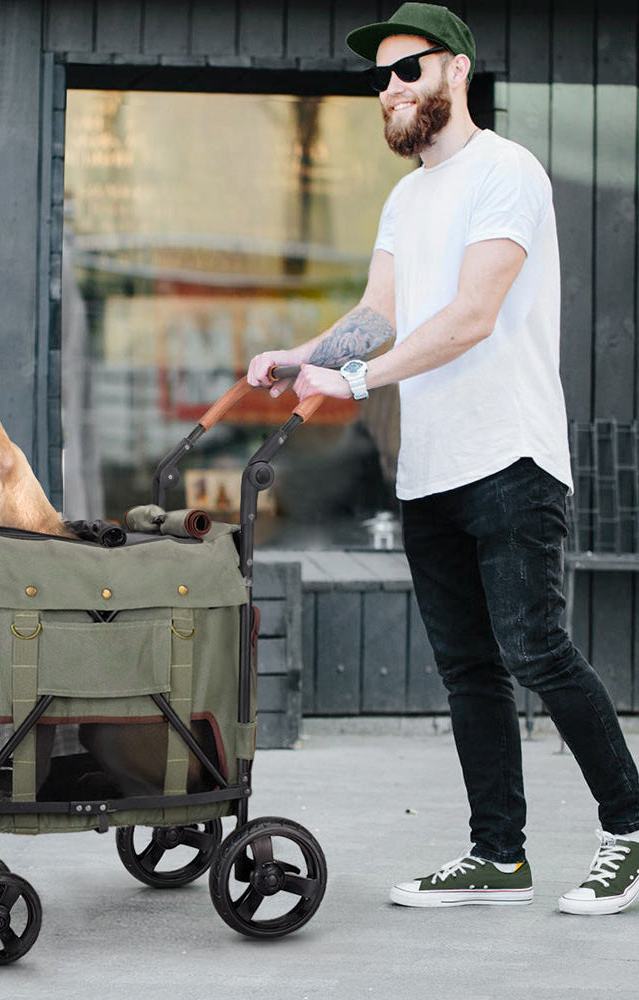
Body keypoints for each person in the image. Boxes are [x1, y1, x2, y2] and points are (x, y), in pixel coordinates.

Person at [247, 2, 639, 915]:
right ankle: (497, 857)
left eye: (405, 70)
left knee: (535, 649)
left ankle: (627, 829)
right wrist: (304, 358)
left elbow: (470, 315)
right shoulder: (405, 195)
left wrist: (356, 382)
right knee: (468, 672)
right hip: (429, 468)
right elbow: (379, 311)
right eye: (379, 78)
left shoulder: (506, 172)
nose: (387, 89)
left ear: (456, 71)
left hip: (508, 455)